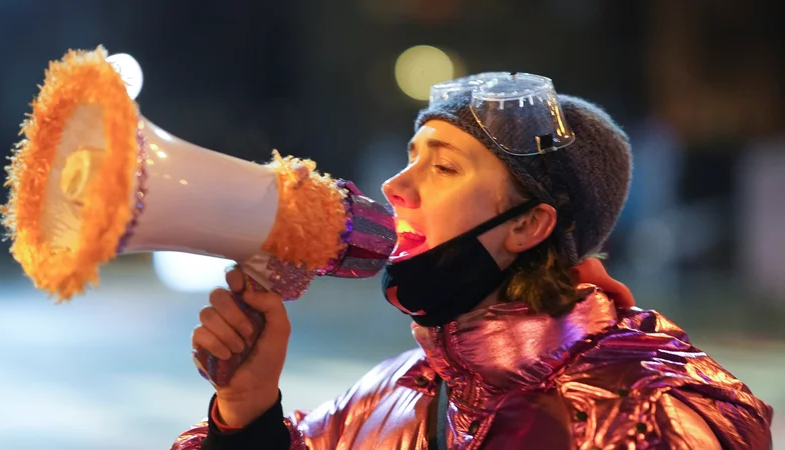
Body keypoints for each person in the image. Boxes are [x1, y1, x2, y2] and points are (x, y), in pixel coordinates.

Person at [171, 73, 773, 450]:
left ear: (528, 225)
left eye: (445, 166)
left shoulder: (657, 408)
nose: (395, 186)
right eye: (410, 158)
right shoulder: (387, 394)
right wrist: (247, 416)